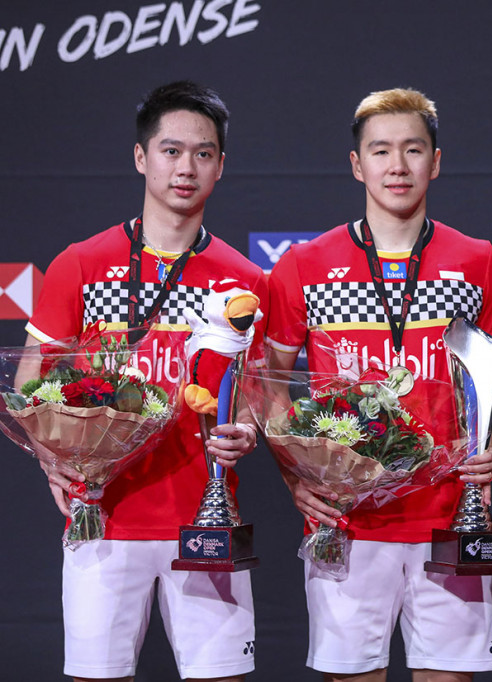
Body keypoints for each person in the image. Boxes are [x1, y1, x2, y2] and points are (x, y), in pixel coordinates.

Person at [25, 81, 266, 681]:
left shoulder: (245, 279)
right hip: (102, 517)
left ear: (220, 166)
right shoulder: (81, 263)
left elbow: (255, 396)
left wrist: (248, 431)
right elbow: (30, 383)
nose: (186, 168)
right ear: (141, 157)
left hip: (207, 520)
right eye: (171, 151)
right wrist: (51, 458)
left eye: (203, 154)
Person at [265, 88, 492, 682]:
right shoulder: (304, 265)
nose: (397, 166)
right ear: (357, 164)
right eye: (380, 151)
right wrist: (297, 474)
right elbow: (266, 382)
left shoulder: (476, 261)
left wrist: (489, 451)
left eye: (412, 150)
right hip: (346, 521)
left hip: (450, 516)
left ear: (435, 162)